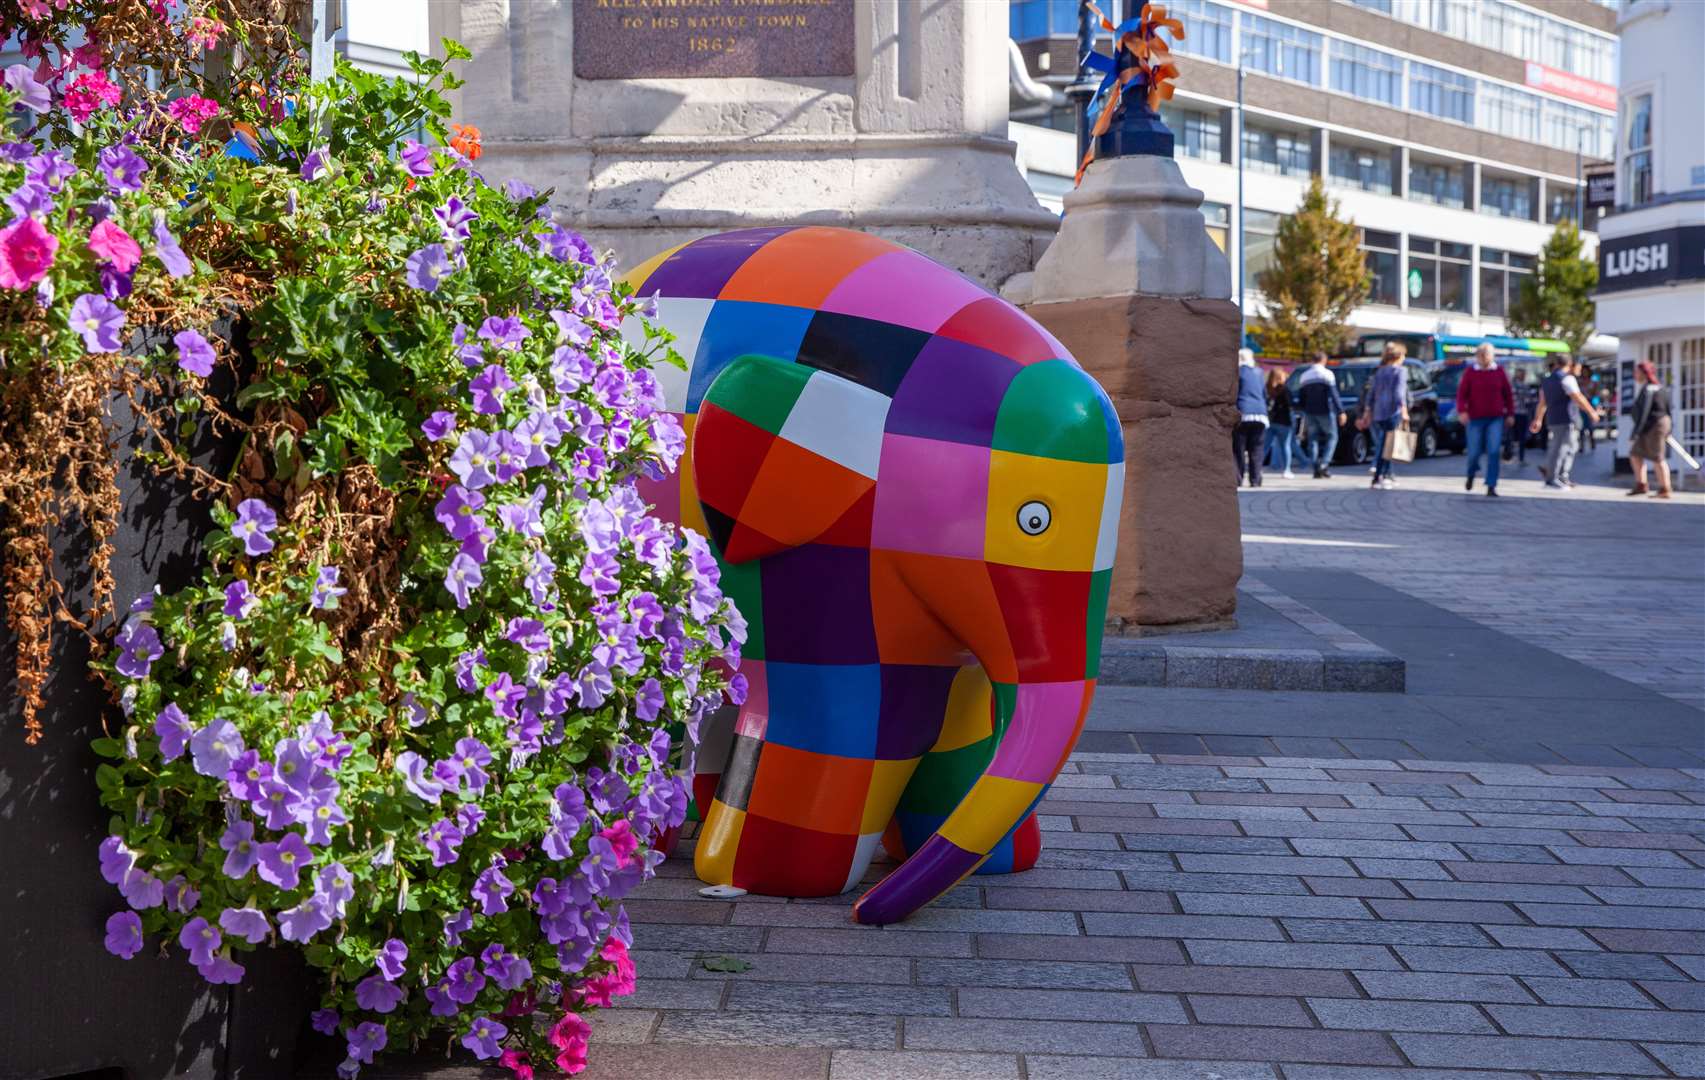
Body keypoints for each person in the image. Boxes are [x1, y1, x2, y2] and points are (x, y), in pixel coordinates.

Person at [1531, 356, 1601, 489]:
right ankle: (1554, 478)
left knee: (1561, 448)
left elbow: (1542, 402)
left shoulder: (1547, 380)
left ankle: (1559, 476)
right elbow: (1578, 397)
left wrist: (1538, 419)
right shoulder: (1567, 379)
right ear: (1569, 364)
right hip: (1566, 419)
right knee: (1563, 449)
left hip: (1553, 419)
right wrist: (1591, 412)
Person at [1457, 342, 1515, 497]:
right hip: (1475, 418)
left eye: (1486, 354)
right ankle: (1471, 473)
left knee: (1494, 451)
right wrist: (1462, 411)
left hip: (1495, 418)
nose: (1483, 357)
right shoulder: (1470, 372)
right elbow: (1462, 394)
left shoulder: (1499, 372)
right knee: (1474, 452)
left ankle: (1491, 484)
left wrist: (1510, 413)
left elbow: (1508, 394)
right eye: (1480, 354)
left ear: (1492, 356)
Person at [1359, 342, 1408, 489]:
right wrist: (1404, 410)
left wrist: (1368, 411)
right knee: (1387, 446)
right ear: (1399, 356)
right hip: (1392, 411)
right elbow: (1399, 393)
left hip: (1379, 412)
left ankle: (1381, 476)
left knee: (1383, 444)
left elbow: (1371, 393)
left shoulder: (1380, 371)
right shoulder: (1400, 371)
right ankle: (1382, 476)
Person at [1295, 351, 1345, 479]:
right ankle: (1324, 464)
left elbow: (1301, 398)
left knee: (1312, 440)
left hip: (1310, 413)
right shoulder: (1327, 374)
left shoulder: (1304, 376)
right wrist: (1341, 411)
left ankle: (1316, 466)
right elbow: (1334, 395)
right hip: (1326, 411)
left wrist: (1302, 411)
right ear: (1324, 360)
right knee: (1332, 437)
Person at [1628, 360, 1673, 499]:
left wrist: (1635, 433)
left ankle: (1665, 488)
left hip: (1654, 425)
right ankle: (1641, 484)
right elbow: (1669, 410)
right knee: (1635, 454)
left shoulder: (1650, 389)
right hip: (1655, 424)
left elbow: (1645, 412)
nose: (1635, 374)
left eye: (1637, 372)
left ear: (1643, 373)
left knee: (1657, 457)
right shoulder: (1659, 387)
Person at [1232, 348, 1269, 487]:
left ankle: (1237, 479)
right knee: (1257, 449)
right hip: (1260, 414)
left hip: (1242, 413)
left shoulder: (1236, 373)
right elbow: (1264, 394)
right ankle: (1255, 480)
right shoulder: (1259, 373)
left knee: (1238, 449)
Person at [1263, 367, 1296, 479]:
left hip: (1270, 422)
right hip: (1284, 422)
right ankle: (1287, 470)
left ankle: (1257, 468)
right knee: (1285, 446)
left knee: (1264, 447)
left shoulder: (1267, 388)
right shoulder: (1284, 389)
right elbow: (1290, 405)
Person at [1506, 368, 1536, 464]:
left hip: (1512, 414)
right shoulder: (1523, 386)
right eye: (1522, 374)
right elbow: (1529, 400)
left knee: (1510, 436)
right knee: (1520, 437)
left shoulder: (1511, 386)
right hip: (1520, 414)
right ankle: (1520, 458)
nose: (1524, 376)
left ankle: (1509, 456)